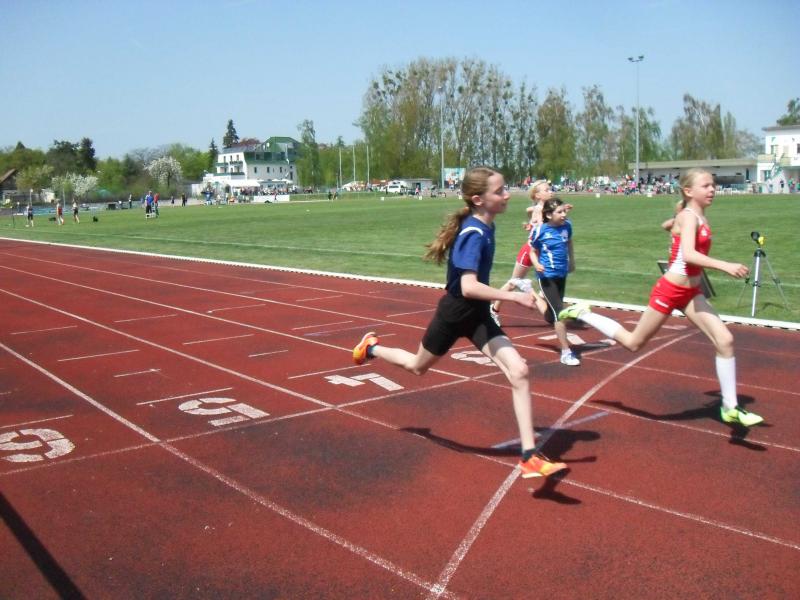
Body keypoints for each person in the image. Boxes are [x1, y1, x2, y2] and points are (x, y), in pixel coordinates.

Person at [352, 167, 568, 478]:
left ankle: (528, 457)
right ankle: (371, 348)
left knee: (519, 371)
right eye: (499, 191)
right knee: (417, 366)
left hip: (478, 314)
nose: (507, 195)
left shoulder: (487, 225)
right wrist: (513, 297)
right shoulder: (473, 234)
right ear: (479, 199)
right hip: (455, 313)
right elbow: (467, 287)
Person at [559, 168, 763, 427]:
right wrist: (725, 265)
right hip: (670, 290)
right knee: (633, 343)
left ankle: (730, 407)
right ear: (689, 191)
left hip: (691, 293)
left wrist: (672, 226)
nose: (712, 189)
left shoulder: (695, 215)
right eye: (706, 186)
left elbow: (671, 228)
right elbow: (689, 255)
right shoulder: (688, 217)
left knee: (725, 340)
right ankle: (582, 313)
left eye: (713, 185)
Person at [513, 198, 580, 366]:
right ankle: (566, 352)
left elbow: (569, 242)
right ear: (549, 215)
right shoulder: (540, 230)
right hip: (546, 275)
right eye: (560, 212)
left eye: (564, 211)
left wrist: (572, 261)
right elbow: (532, 250)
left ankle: (529, 290)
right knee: (559, 312)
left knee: (551, 316)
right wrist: (536, 264)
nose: (564, 214)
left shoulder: (567, 226)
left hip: (561, 273)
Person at [489, 179, 552, 322]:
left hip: (543, 252)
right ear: (537, 195)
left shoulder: (544, 209)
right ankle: (494, 310)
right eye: (547, 190)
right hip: (530, 250)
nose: (551, 192)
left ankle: (542, 300)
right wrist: (534, 224)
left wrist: (531, 225)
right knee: (513, 282)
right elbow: (539, 222)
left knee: (551, 280)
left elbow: (530, 212)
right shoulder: (539, 209)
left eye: (550, 189)